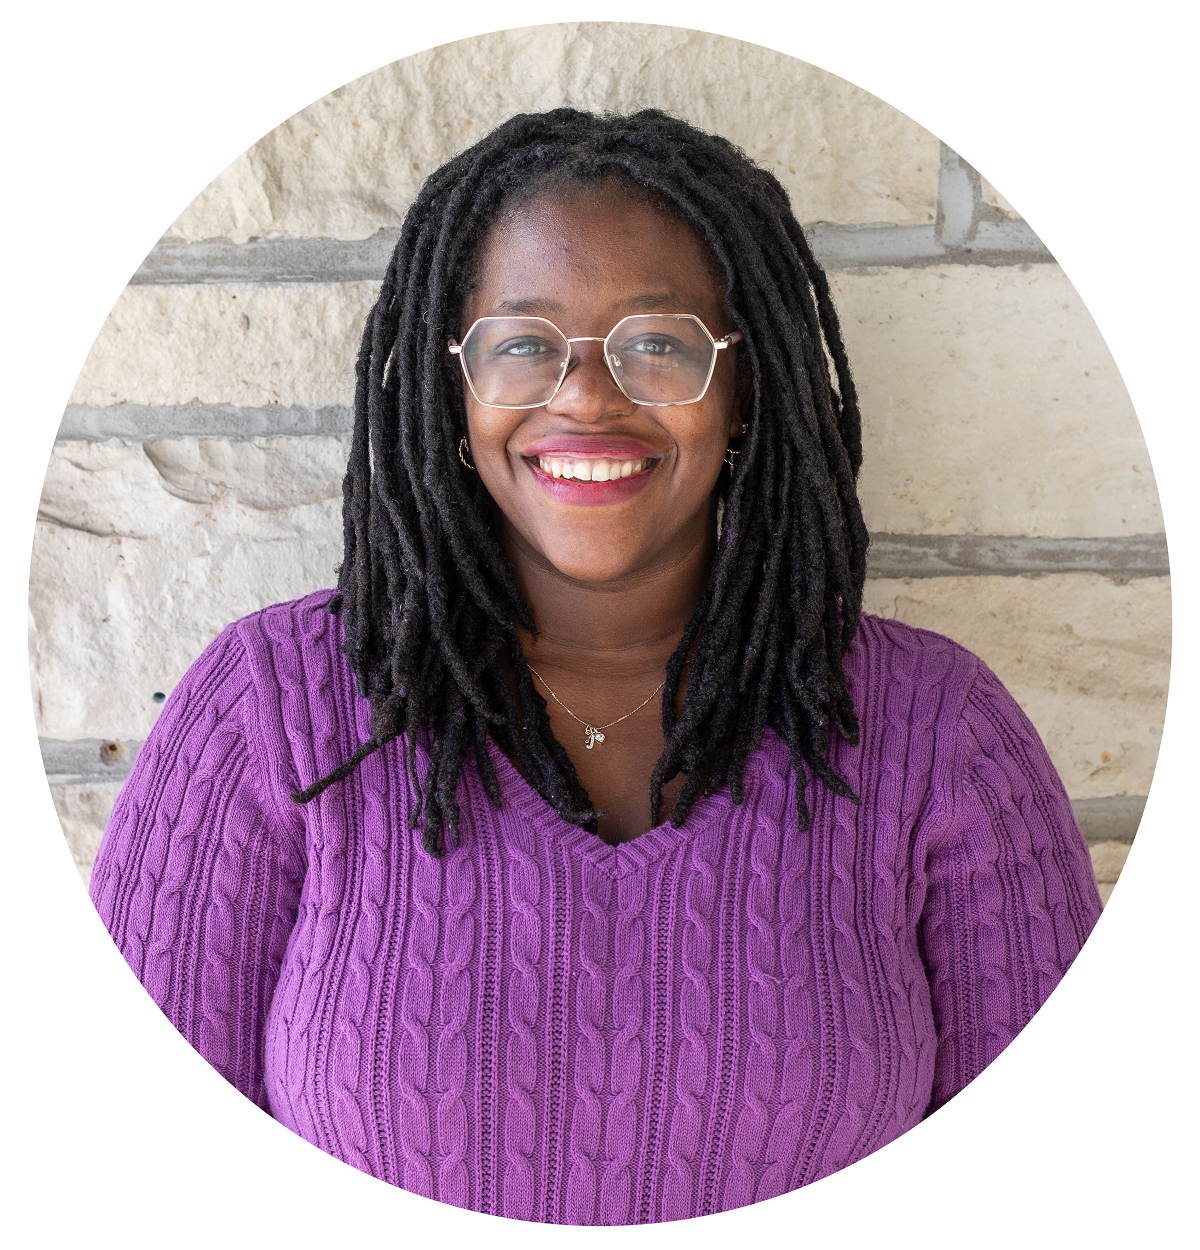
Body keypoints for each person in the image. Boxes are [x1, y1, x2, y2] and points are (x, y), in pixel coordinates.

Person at [89, 108, 1102, 1223]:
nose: (584, 394)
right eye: (523, 342)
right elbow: (133, 1180)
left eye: (657, 341)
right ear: (451, 383)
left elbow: (1049, 1192)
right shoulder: (269, 713)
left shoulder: (938, 737)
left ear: (743, 383)